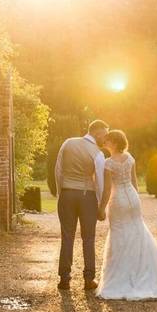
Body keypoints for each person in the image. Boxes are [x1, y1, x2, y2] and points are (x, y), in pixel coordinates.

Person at [95, 129, 157, 302]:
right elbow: (134, 183)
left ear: (116, 143)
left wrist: (101, 208)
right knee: (137, 233)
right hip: (132, 199)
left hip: (118, 200)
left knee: (119, 235)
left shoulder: (108, 163)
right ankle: (143, 271)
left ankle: (123, 277)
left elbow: (107, 189)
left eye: (109, 140)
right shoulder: (130, 158)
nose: (106, 142)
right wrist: (135, 200)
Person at [54, 119, 109, 290]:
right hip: (87, 197)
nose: (105, 139)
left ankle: (64, 278)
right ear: (97, 132)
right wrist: (101, 206)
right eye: (105, 134)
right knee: (88, 238)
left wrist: (61, 192)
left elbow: (58, 170)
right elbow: (99, 181)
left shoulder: (68, 143)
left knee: (67, 236)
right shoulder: (98, 154)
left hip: (67, 193)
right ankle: (88, 279)